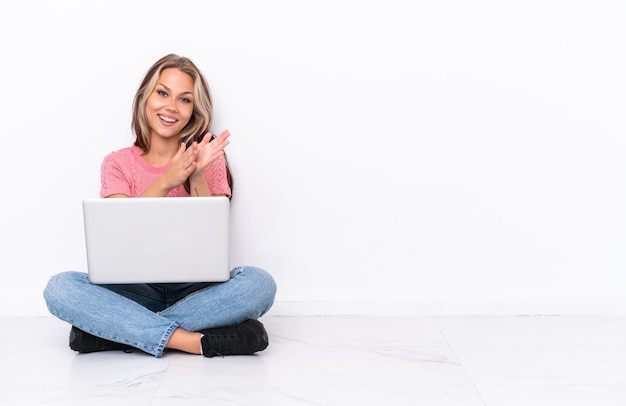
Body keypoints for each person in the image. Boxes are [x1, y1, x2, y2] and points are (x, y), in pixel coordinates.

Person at [43, 54, 277, 358]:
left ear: (193, 111)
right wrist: (167, 181)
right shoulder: (117, 163)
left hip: (197, 290)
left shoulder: (209, 158)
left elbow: (210, 240)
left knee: (259, 283)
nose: (171, 107)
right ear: (145, 98)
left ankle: (115, 334)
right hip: (136, 291)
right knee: (60, 288)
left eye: (184, 100)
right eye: (163, 93)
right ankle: (192, 341)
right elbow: (119, 236)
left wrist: (196, 174)